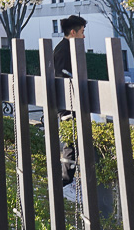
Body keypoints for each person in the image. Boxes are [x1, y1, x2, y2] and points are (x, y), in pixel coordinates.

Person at [52, 14, 87, 186]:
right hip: (68, 102)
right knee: (70, 141)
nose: (84, 36)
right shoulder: (64, 50)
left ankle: (68, 178)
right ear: (73, 32)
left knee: (73, 139)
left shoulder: (64, 48)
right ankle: (66, 180)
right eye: (82, 31)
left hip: (70, 101)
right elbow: (61, 76)